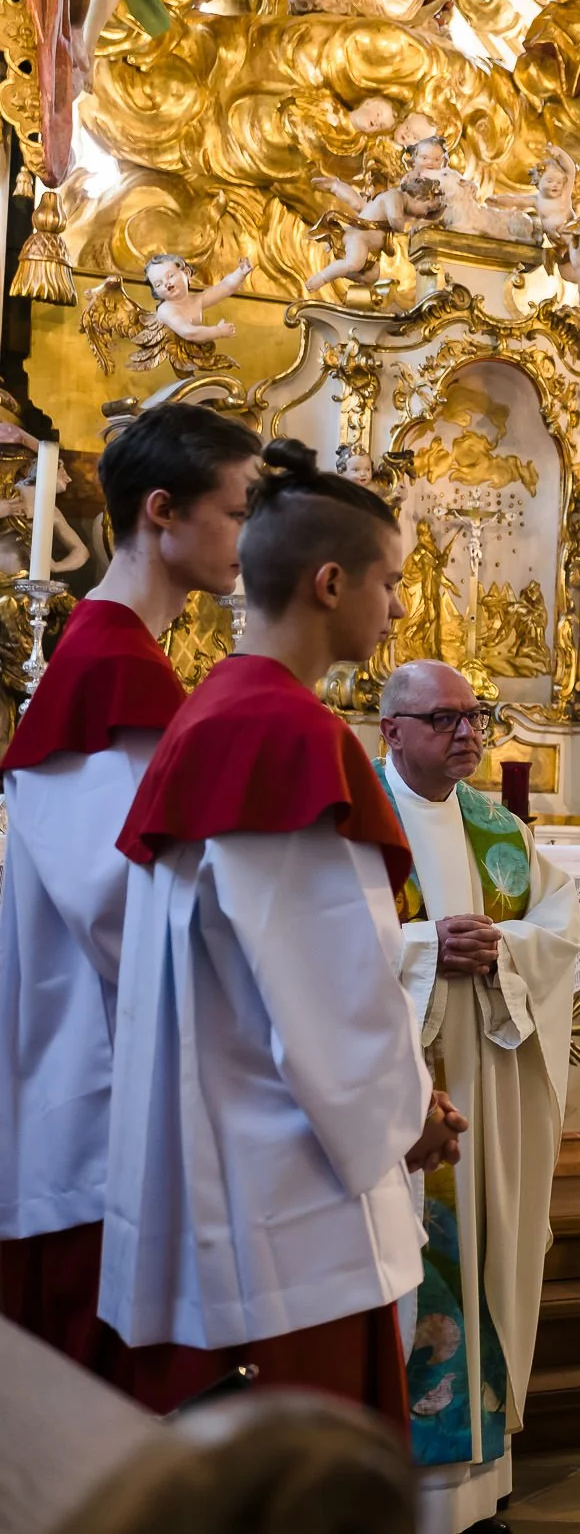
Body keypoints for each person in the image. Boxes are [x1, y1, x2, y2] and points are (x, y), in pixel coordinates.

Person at [104, 437, 460, 1421]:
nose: (395, 606)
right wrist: (413, 1119)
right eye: (388, 580)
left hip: (219, 1162)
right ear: (330, 580)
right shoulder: (287, 737)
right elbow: (333, 1000)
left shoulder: (216, 711)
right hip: (283, 1202)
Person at [0, 403, 261, 1371]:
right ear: (162, 509)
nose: (249, 538)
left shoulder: (125, 660)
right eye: (237, 511)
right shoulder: (109, 669)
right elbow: (125, 908)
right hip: (102, 1086)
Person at [375, 660, 580, 1532]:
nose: (468, 734)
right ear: (391, 730)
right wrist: (424, 947)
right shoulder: (357, 821)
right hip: (396, 1092)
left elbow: (559, 929)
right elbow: (310, 939)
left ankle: (479, 1481)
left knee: (488, 1252)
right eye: (445, 719)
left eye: (478, 717)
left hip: (486, 1084)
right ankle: (400, 1486)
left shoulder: (500, 830)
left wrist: (502, 948)